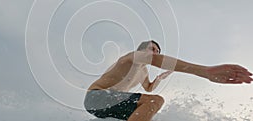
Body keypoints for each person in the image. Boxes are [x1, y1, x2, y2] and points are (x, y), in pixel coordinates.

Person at [84, 40, 253, 121]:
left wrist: (159, 78)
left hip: (108, 105)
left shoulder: (142, 72)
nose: (156, 53)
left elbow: (148, 88)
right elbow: (157, 61)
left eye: (158, 50)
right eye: (153, 49)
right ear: (142, 50)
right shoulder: (131, 58)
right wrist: (204, 71)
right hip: (97, 97)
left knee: (150, 106)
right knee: (155, 101)